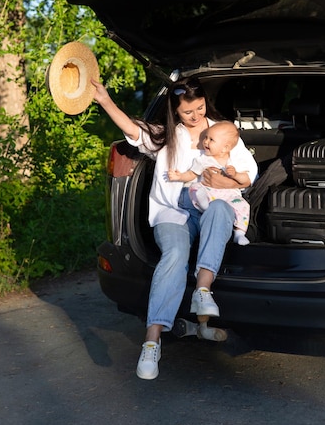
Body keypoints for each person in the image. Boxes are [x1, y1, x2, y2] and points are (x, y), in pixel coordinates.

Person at [91, 76, 258, 380]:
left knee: (221, 209)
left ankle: (202, 293)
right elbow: (131, 130)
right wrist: (104, 100)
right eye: (187, 112)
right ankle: (152, 342)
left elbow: (250, 170)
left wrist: (229, 181)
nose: (196, 117)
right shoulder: (166, 136)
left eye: (200, 107)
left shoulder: (222, 132)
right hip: (172, 214)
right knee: (175, 256)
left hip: (209, 209)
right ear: (175, 111)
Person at [167, 120, 251, 245]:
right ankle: (204, 206)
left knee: (243, 205)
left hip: (230, 196)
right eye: (206, 137)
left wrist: (236, 175)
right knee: (194, 188)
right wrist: (179, 176)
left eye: (211, 140)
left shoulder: (234, 161)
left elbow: (246, 180)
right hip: (208, 192)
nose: (205, 141)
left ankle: (239, 233)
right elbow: (192, 174)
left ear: (225, 148)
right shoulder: (203, 160)